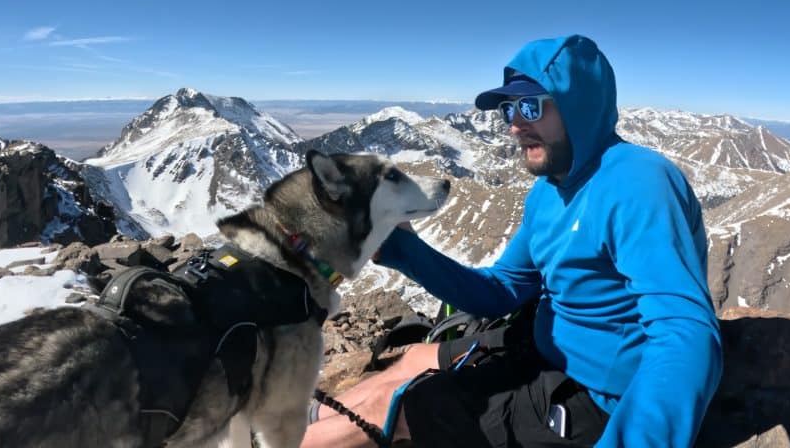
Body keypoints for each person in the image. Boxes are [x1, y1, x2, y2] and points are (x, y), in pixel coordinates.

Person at [302, 34, 722, 447]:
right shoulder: (548, 191)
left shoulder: (636, 182)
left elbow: (683, 328)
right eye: (508, 108)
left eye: (530, 106)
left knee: (399, 405)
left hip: (596, 394)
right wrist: (402, 249)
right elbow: (501, 290)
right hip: (544, 345)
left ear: (579, 107)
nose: (516, 125)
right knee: (410, 361)